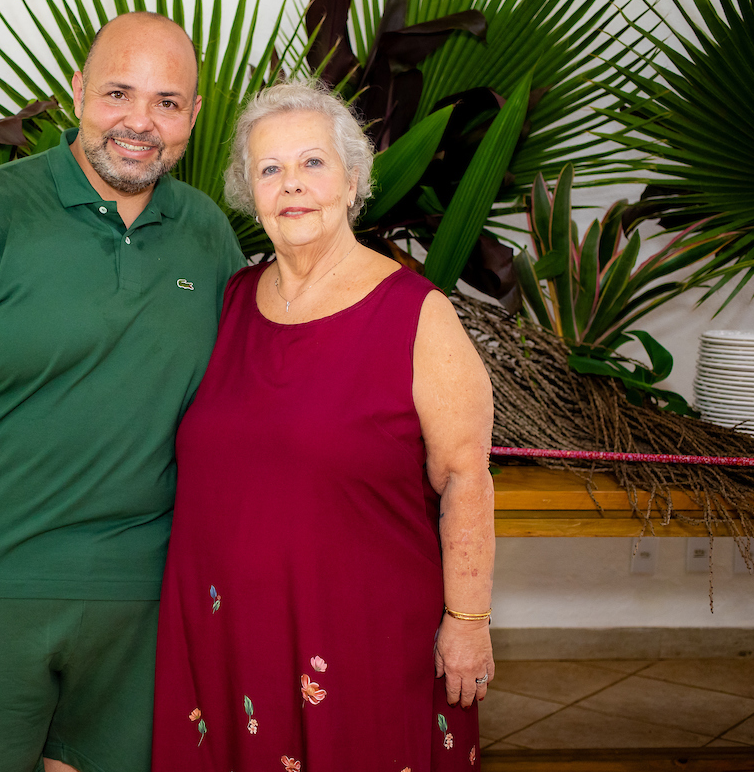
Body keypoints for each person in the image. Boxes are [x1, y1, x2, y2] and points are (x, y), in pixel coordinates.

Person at [0, 12, 245, 772]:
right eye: (118, 93)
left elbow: (246, 389)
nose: (140, 121)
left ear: (193, 117)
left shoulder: (207, 234)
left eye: (167, 102)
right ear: (76, 93)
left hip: (142, 597)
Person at [150, 79, 496, 771]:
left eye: (313, 163)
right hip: (224, 636)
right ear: (251, 194)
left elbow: (464, 477)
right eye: (270, 170)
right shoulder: (230, 303)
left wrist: (467, 622)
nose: (293, 185)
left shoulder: (415, 315)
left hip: (359, 637)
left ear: (352, 178)